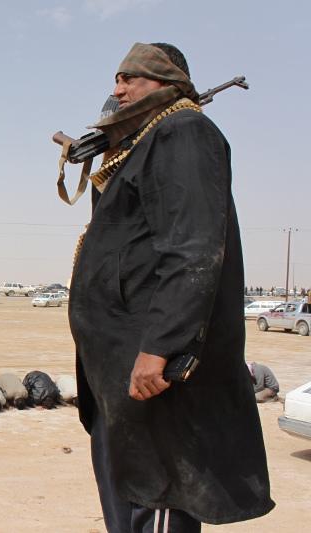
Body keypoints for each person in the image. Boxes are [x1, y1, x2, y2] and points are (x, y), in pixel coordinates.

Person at [68, 42, 273, 530]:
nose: (117, 88)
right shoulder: (142, 145)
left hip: (150, 367)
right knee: (129, 494)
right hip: (119, 365)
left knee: (157, 493)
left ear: (165, 85)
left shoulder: (183, 132)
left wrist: (159, 348)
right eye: (115, 78)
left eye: (130, 78)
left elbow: (194, 251)